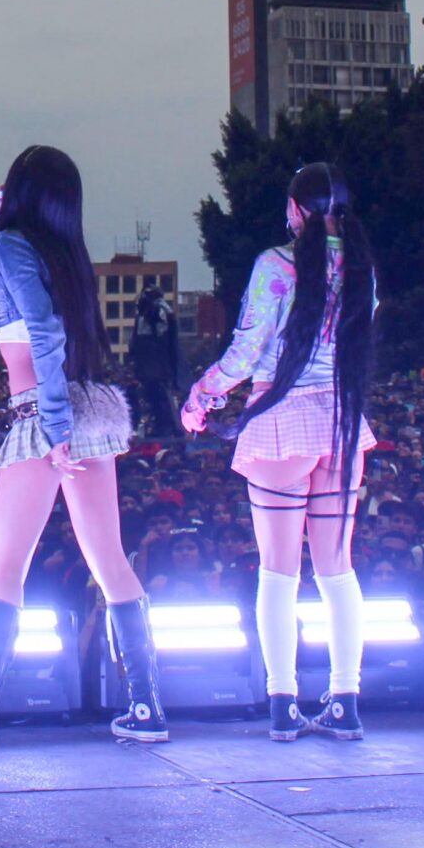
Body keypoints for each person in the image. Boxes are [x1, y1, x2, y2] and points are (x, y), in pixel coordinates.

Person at [0, 145, 162, 753]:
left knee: (5, 564)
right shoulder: (65, 255)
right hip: (85, 406)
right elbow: (20, 291)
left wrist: (54, 431)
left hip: (44, 413)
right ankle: (146, 705)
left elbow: (40, 330)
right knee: (109, 559)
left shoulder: (13, 247)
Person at [181, 163, 379, 742]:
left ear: (295, 210)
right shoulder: (363, 270)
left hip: (281, 420)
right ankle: (346, 699)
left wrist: (201, 396)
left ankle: (282, 702)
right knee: (338, 571)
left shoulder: (277, 265)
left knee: (279, 572)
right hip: (340, 420)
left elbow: (246, 353)